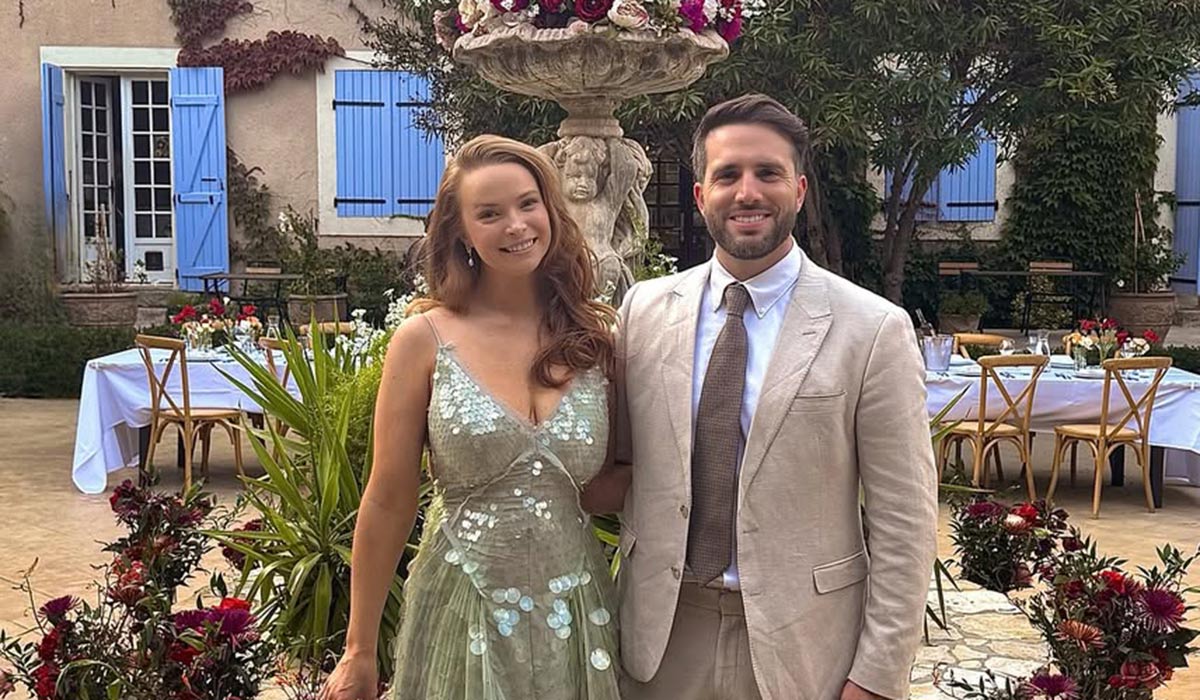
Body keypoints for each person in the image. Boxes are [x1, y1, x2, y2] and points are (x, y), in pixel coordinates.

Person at [592, 94, 939, 700]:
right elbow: (617, 465)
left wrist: (879, 675)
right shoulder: (644, 312)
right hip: (662, 636)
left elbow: (904, 518)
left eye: (768, 173)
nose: (747, 192)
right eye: (727, 174)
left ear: (798, 190)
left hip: (805, 645)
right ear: (702, 195)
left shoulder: (871, 329)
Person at [319, 135, 621, 700]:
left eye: (528, 204)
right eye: (490, 213)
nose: (516, 225)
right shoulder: (423, 341)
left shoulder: (595, 341)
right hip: (462, 611)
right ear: (461, 233)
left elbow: (616, 480)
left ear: (550, 210)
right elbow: (388, 498)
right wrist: (358, 651)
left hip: (578, 618)